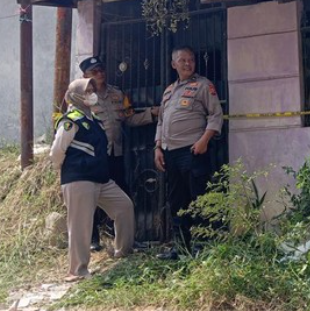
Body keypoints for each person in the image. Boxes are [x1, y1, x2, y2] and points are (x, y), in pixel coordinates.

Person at [49, 78, 135, 282]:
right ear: (75, 95)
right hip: (79, 180)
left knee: (124, 206)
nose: (91, 93)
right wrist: (66, 172)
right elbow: (57, 151)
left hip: (101, 179)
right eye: (87, 91)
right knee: (81, 225)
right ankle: (78, 271)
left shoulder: (93, 119)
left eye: (91, 90)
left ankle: (122, 252)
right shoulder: (71, 120)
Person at [79, 56, 159, 251]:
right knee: (92, 196)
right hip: (94, 156)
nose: (100, 74)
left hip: (116, 154)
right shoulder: (82, 98)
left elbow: (129, 119)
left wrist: (151, 114)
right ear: (85, 76)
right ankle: (92, 239)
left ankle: (124, 240)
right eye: (94, 71)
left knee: (122, 196)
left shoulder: (116, 93)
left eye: (101, 69)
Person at [154, 45, 223, 260]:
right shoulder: (168, 91)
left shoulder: (203, 85)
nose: (187, 64)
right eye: (182, 60)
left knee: (199, 198)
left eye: (191, 60)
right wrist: (157, 147)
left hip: (193, 151)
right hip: (169, 153)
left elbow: (215, 115)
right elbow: (161, 121)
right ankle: (181, 247)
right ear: (173, 64)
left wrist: (204, 140)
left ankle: (203, 245)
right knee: (177, 201)